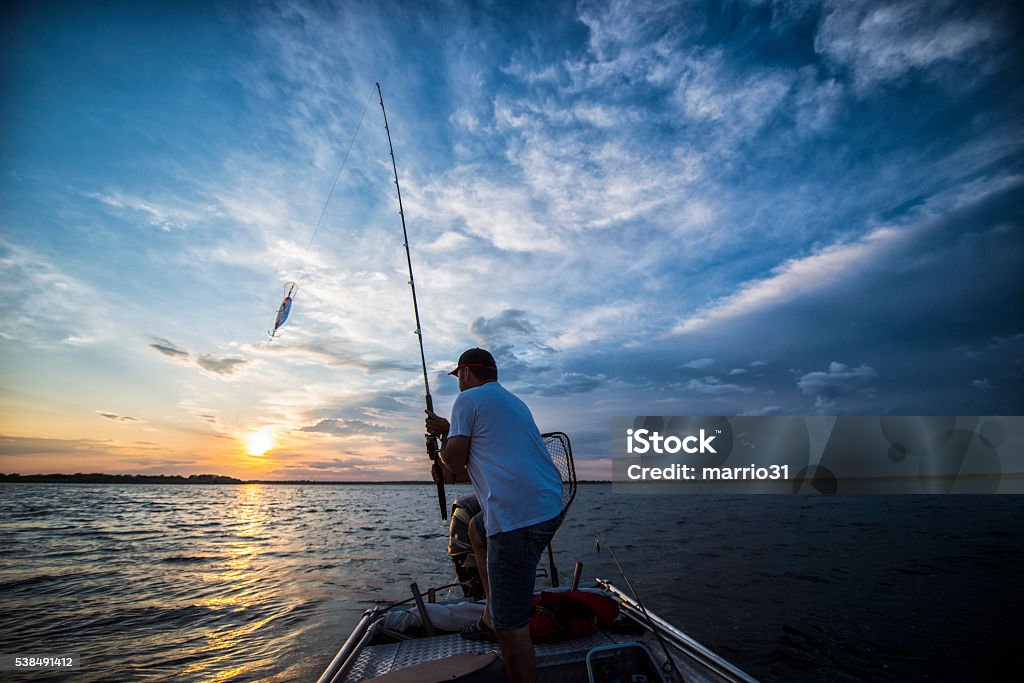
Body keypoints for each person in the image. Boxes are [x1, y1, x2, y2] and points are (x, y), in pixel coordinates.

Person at [425, 347, 564, 683]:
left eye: (458, 375)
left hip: (518, 518)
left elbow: (454, 464)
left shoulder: (467, 400)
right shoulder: (512, 402)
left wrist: (442, 445)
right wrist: (448, 430)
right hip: (549, 506)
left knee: (511, 630)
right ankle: (490, 614)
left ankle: (500, 623)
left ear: (468, 373)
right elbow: (476, 459)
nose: (458, 382)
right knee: (475, 526)